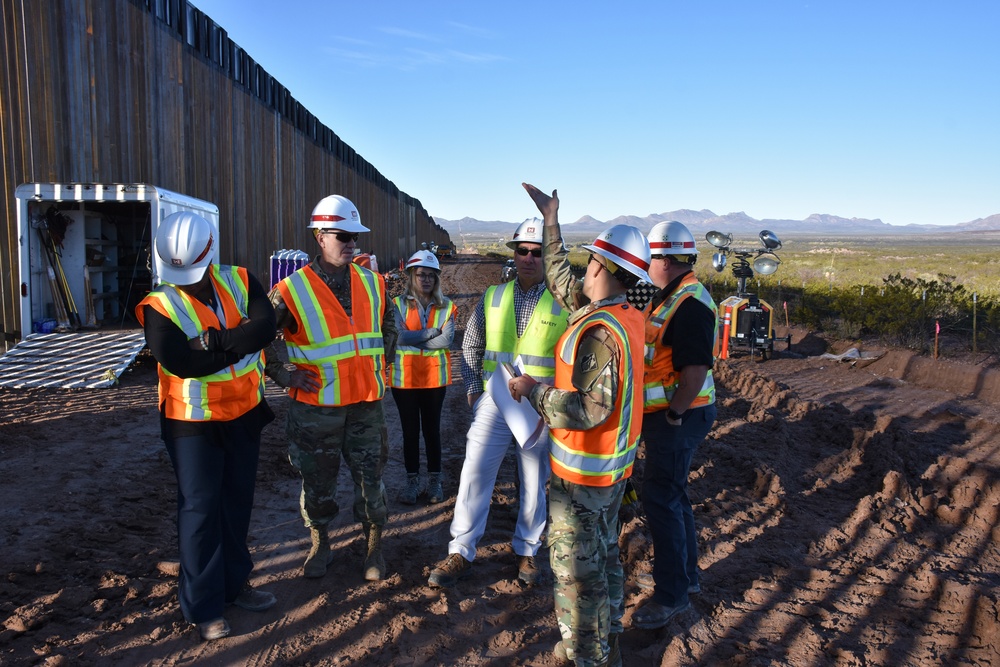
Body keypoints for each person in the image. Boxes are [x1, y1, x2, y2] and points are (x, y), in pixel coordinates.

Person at [510, 183, 650, 667]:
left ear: (606, 271)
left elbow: (591, 409)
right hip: (610, 475)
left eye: (590, 261)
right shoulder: (621, 315)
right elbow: (558, 278)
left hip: (584, 480)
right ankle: (605, 641)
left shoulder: (599, 332)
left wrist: (533, 391)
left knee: (576, 574)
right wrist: (551, 220)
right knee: (605, 559)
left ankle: (585, 655)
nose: (582, 268)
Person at [136, 211, 278, 642]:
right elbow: (180, 361)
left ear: (210, 254)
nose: (187, 282)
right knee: (199, 511)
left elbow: (266, 328)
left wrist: (214, 342)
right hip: (192, 423)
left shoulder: (240, 279)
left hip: (243, 414)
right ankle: (204, 606)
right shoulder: (159, 305)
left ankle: (235, 586)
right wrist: (239, 337)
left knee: (236, 504)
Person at [427, 217, 568, 588]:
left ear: (548, 257)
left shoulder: (565, 304)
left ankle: (527, 552)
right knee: (474, 470)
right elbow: (471, 344)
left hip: (539, 403)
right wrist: (474, 388)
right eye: (522, 250)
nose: (528, 258)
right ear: (515, 253)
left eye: (537, 252)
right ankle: (461, 550)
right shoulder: (494, 296)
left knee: (535, 479)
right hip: (496, 397)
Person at [266, 194, 397, 581]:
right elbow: (259, 337)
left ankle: (373, 546)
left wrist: (381, 360)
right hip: (317, 408)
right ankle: (320, 542)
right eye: (343, 235)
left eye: (355, 236)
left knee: (369, 478)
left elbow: (390, 324)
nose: (351, 243)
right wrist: (285, 375)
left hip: (366, 406)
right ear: (320, 237)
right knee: (317, 480)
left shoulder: (373, 282)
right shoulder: (291, 290)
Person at [631, 221, 718, 629]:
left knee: (660, 499)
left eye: (650, 259)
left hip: (680, 416)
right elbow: (619, 303)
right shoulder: (662, 292)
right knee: (674, 496)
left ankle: (671, 595)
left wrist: (674, 414)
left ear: (665, 260)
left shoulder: (691, 304)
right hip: (671, 416)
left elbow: (695, 373)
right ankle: (687, 578)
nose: (646, 265)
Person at [390, 249, 457, 504]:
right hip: (404, 381)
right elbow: (397, 337)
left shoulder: (447, 306)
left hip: (433, 380)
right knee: (409, 433)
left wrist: (414, 338)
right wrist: (430, 332)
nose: (426, 279)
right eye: (421, 275)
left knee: (432, 432)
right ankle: (412, 484)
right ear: (411, 276)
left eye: (430, 275)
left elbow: (447, 339)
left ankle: (435, 483)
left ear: (436, 279)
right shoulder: (397, 304)